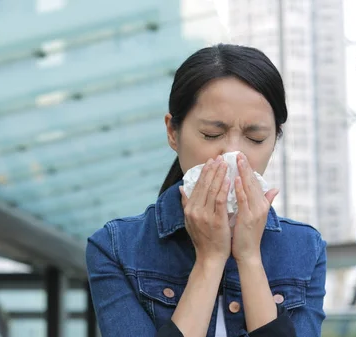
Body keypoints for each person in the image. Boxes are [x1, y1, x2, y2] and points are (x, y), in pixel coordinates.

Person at [85, 44, 327, 337]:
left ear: (274, 140)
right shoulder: (115, 248)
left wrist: (249, 257)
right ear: (173, 132)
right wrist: (210, 260)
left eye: (255, 137)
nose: (233, 153)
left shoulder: (305, 248)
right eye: (212, 134)